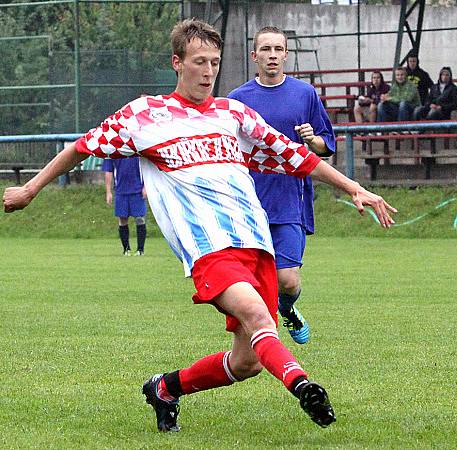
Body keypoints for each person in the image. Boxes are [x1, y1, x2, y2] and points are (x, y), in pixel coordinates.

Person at [3, 19, 396, 432]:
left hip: (255, 244)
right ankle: (303, 385)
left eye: (215, 62)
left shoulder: (234, 113)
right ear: (177, 63)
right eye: (199, 62)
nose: (208, 72)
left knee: (246, 363)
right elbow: (80, 148)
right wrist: (30, 189)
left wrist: (355, 189)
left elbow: (295, 155)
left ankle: (165, 389)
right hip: (209, 250)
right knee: (261, 319)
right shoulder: (145, 116)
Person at [227, 26, 335, 345]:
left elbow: (327, 145)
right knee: (252, 281)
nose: (272, 55)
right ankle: (260, 337)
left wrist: (312, 140)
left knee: (287, 280)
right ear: (254, 56)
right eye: (266, 49)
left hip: (290, 198)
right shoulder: (238, 99)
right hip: (249, 202)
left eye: (278, 49)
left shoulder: (305, 94)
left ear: (286, 55)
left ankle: (286, 310)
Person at [103, 158, 147, 255]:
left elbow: (147, 168)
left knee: (140, 219)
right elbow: (108, 171)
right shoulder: (112, 151)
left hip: (137, 191)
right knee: (122, 219)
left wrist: (145, 186)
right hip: (120, 191)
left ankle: (140, 250)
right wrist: (108, 192)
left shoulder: (137, 149)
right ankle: (126, 249)